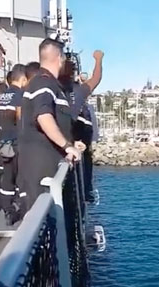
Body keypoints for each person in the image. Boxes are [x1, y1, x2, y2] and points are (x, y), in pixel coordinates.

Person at [18, 38, 81, 211]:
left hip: (48, 162)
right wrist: (67, 146)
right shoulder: (43, 83)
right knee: (42, 215)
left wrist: (71, 141)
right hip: (40, 166)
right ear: (59, 58)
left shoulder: (52, 85)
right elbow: (43, 116)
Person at [60, 50, 103, 202]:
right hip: (78, 141)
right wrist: (98, 59)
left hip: (63, 141)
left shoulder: (55, 89)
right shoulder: (80, 90)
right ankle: (86, 191)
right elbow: (96, 78)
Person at [0, 64, 26, 224]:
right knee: (20, 176)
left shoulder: (1, 97)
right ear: (23, 79)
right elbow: (20, 118)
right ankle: (22, 207)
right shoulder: (20, 96)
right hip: (16, 142)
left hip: (2, 141)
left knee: (7, 176)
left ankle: (7, 209)